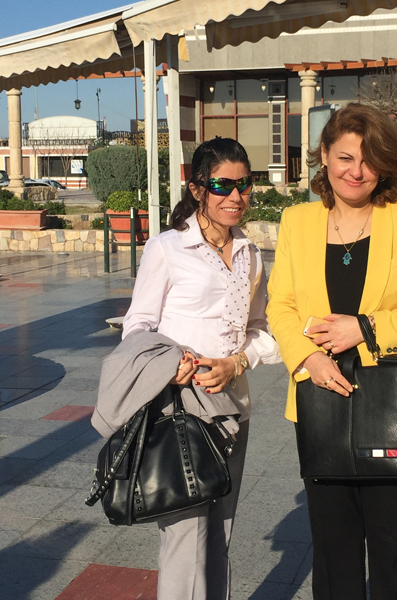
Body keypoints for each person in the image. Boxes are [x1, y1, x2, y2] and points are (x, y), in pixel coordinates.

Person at [266, 103, 397, 600]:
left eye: (369, 160)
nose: (356, 171)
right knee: (334, 555)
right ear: (324, 155)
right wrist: (307, 358)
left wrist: (366, 328)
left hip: (392, 404)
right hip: (321, 399)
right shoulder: (297, 221)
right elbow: (280, 305)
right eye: (346, 157)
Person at [121, 137, 280, 600]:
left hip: (233, 409)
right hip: (180, 412)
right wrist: (171, 364)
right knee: (185, 540)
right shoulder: (167, 248)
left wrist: (237, 362)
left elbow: (261, 329)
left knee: (220, 531)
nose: (236, 196)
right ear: (197, 190)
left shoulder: (250, 254)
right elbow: (137, 326)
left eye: (244, 185)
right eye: (222, 185)